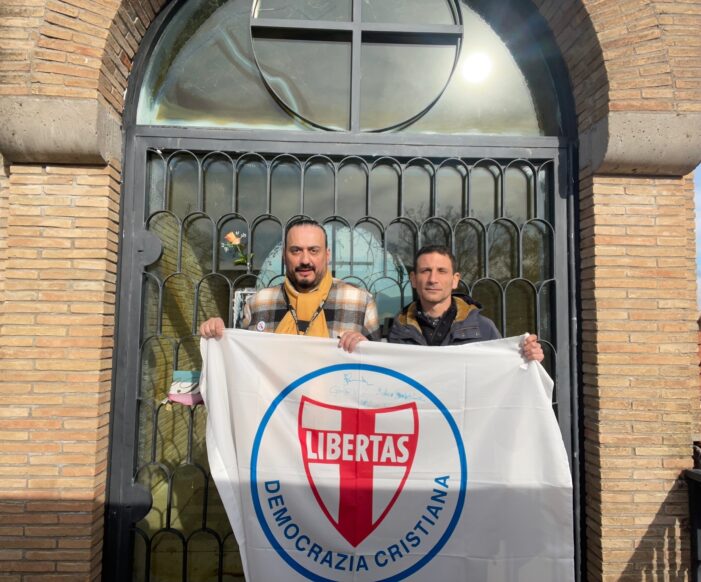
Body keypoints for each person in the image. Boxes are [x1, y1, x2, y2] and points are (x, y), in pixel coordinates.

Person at [199, 219, 380, 350]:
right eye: (296, 250)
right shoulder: (258, 303)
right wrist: (219, 338)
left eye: (313, 250)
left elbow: (381, 372)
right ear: (285, 256)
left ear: (327, 255)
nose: (305, 260)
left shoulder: (361, 302)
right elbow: (240, 361)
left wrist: (366, 349)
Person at [387, 245, 544, 361]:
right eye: (425, 271)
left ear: (455, 280)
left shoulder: (484, 329)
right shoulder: (396, 331)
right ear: (414, 279)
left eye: (442, 271)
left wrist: (527, 357)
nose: (433, 279)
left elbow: (505, 374)